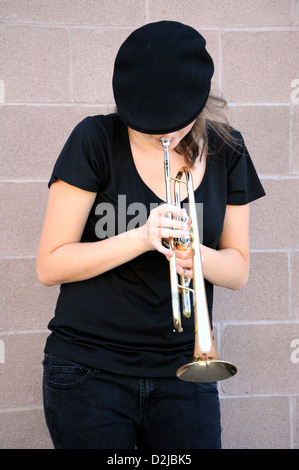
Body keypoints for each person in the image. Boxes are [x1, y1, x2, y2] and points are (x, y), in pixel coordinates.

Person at [36, 21, 265, 449]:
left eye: (175, 122)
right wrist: (141, 237)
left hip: (185, 371)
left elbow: (237, 270)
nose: (165, 134)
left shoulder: (229, 149)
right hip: (89, 372)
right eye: (150, 124)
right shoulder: (95, 139)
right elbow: (50, 265)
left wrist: (196, 255)